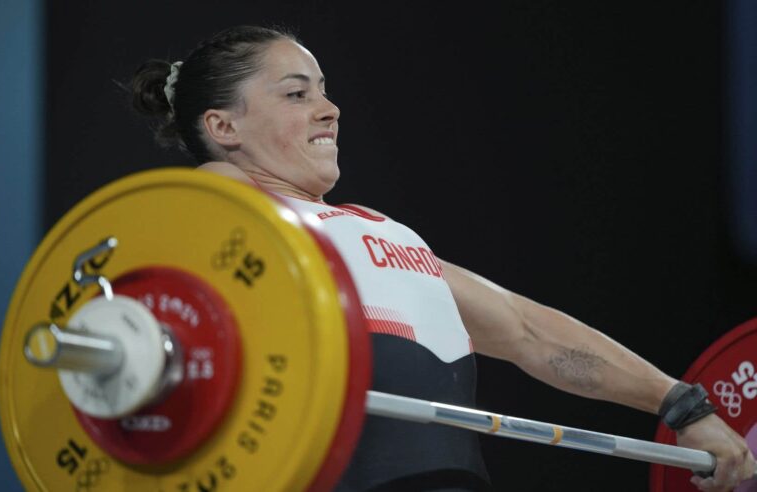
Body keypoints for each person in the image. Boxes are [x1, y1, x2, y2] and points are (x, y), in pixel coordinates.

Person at [130, 25, 756, 492]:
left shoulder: (378, 233)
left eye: (324, 90)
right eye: (296, 94)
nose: (330, 108)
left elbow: (529, 332)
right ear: (224, 127)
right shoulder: (220, 210)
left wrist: (682, 406)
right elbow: (198, 220)